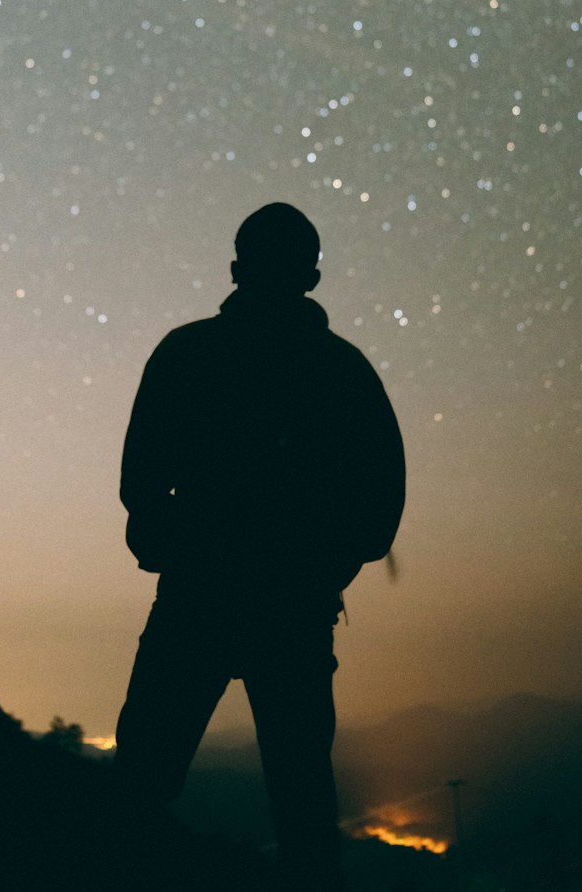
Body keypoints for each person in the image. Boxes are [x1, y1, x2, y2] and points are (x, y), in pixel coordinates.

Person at [113, 203, 405, 891]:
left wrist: (170, 548)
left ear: (237, 268)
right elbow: (379, 503)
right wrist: (322, 569)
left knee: (141, 787)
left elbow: (142, 484)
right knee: (301, 802)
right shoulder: (343, 372)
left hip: (198, 602)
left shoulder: (187, 354)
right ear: (314, 276)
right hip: (291, 615)